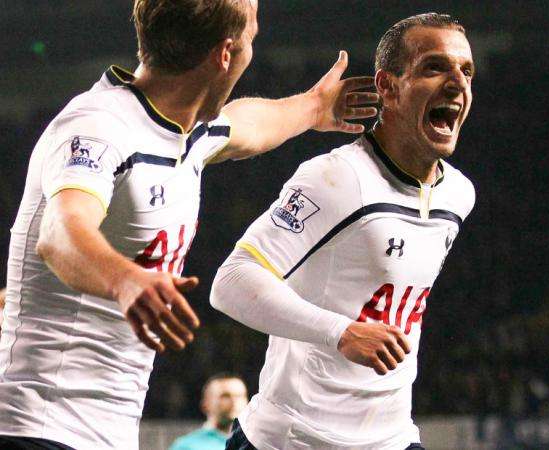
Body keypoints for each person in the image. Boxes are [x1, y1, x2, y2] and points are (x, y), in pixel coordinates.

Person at [0, 1, 378, 449]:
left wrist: (314, 107)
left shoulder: (186, 132)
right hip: (36, 424)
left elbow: (246, 127)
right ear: (226, 53)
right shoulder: (99, 126)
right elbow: (60, 234)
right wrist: (125, 280)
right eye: (252, 40)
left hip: (106, 431)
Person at [210, 12, 476, 450]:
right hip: (295, 439)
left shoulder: (459, 195)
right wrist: (342, 332)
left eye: (466, 71)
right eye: (434, 67)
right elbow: (231, 281)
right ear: (387, 87)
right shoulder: (335, 178)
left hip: (391, 438)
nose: (457, 83)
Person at [169, 374, 248, 450]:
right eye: (225, 396)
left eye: (240, 396)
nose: (234, 402)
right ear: (205, 404)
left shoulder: (255, 443)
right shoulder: (186, 446)